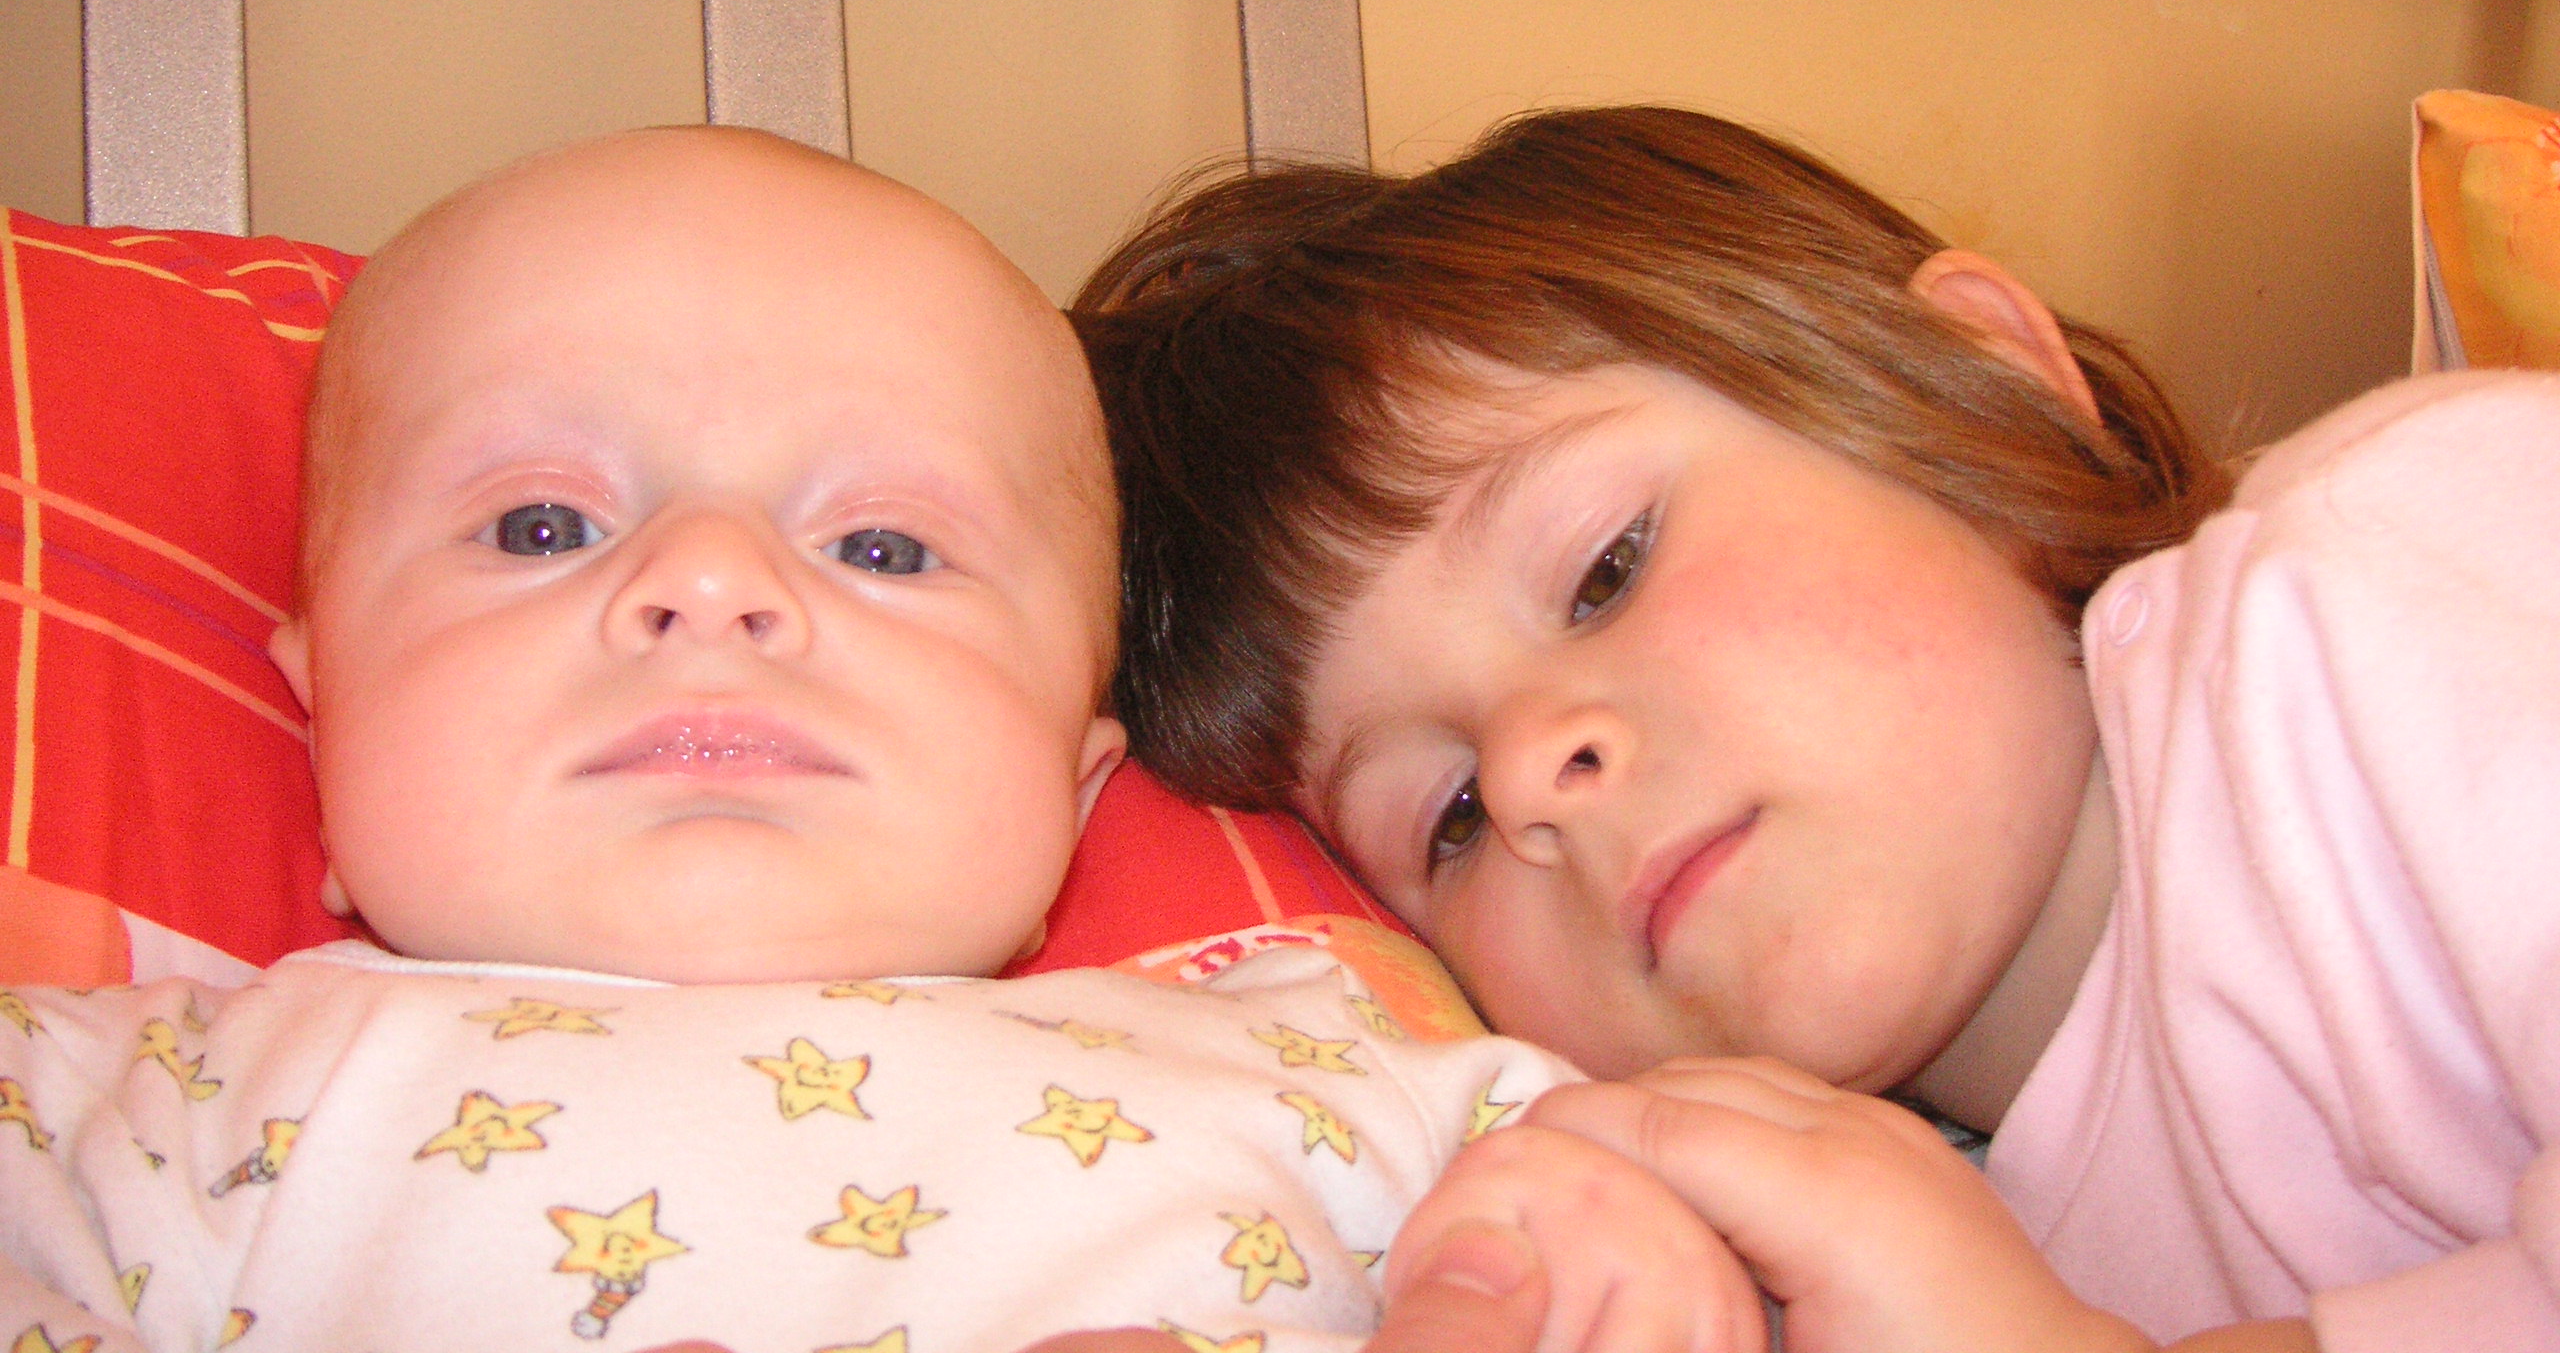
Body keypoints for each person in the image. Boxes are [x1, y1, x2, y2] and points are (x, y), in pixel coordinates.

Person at [0, 128, 1753, 1353]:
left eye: (886, 548)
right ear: (321, 716)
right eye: (542, 525)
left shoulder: (1341, 1060)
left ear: (1075, 784)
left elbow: (1675, 1236)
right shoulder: (128, 1100)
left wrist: (1612, 1259)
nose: (709, 583)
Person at [1072, 103, 2560, 1353]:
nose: (1529, 775)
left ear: (1983, 383)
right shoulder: (1852, 1255)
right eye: (1448, 817)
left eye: (1605, 570)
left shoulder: (2381, 581)